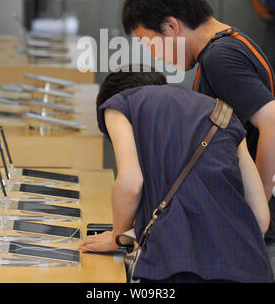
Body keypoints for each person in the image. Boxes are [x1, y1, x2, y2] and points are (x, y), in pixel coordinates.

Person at [120, 0, 275, 270]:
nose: (156, 55)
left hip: (254, 235)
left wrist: (255, 213)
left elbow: (272, 123)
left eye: (149, 42)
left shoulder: (220, 58)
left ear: (171, 26)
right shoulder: (231, 42)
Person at [79, 67, 273, 283]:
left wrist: (117, 236)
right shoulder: (224, 113)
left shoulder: (119, 104)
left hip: (178, 266)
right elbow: (261, 220)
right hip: (250, 266)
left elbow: (131, 184)